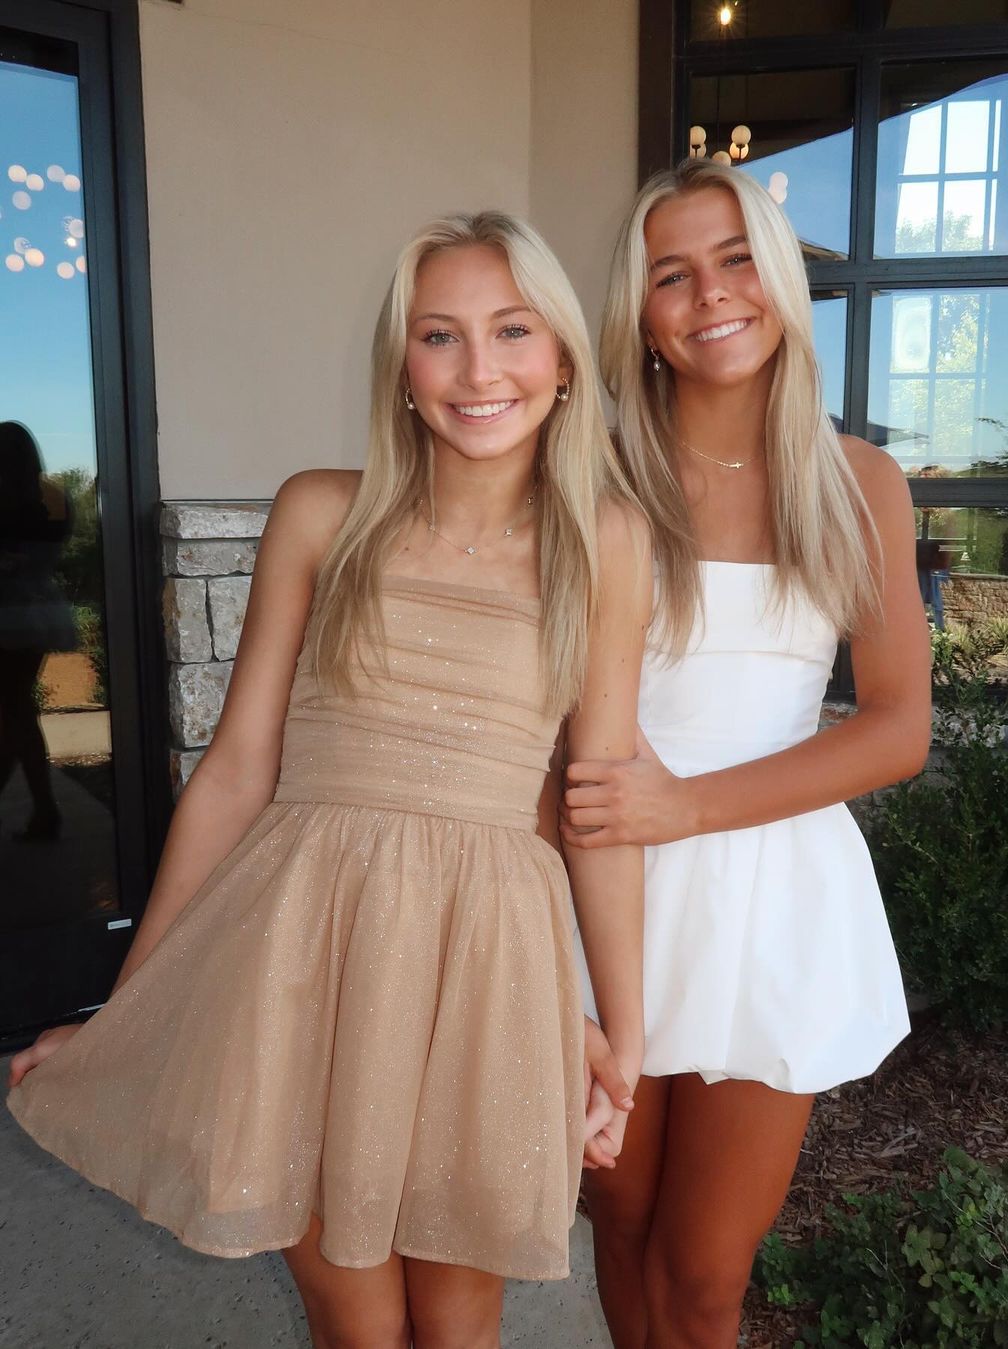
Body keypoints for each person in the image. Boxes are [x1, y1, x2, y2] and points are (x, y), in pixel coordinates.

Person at [8, 211, 651, 1349]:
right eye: (439, 335)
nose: (479, 369)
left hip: (487, 962)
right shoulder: (323, 510)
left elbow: (593, 807)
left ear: (561, 358)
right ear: (401, 368)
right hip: (304, 950)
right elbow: (235, 771)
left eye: (512, 329)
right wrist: (130, 1008)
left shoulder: (606, 541)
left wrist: (617, 1036)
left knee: (459, 1323)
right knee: (355, 1324)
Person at [561, 161, 932, 1349]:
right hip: (600, 884)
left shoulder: (857, 478)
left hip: (770, 893)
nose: (711, 293)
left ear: (778, 281)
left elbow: (898, 727)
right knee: (619, 1217)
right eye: (672, 273)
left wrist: (685, 806)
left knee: (706, 1272)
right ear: (640, 314)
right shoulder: (589, 469)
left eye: (736, 260)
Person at [0, 421, 77, 843]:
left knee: (14, 712)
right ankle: (45, 811)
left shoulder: (11, 502)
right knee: (17, 711)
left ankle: (46, 812)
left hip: (12, 613)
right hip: (37, 609)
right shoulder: (53, 499)